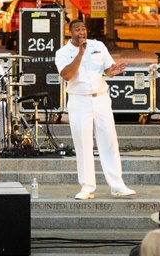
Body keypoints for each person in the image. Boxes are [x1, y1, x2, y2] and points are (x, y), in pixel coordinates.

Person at [54, 18, 134, 199]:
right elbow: (67, 75)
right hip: (79, 100)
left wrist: (113, 71)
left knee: (109, 141)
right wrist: (80, 53)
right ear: (70, 32)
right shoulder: (63, 52)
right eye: (77, 30)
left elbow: (107, 70)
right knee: (83, 143)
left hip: (101, 98)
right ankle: (87, 187)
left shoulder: (98, 46)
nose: (81, 33)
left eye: (83, 29)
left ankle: (117, 185)